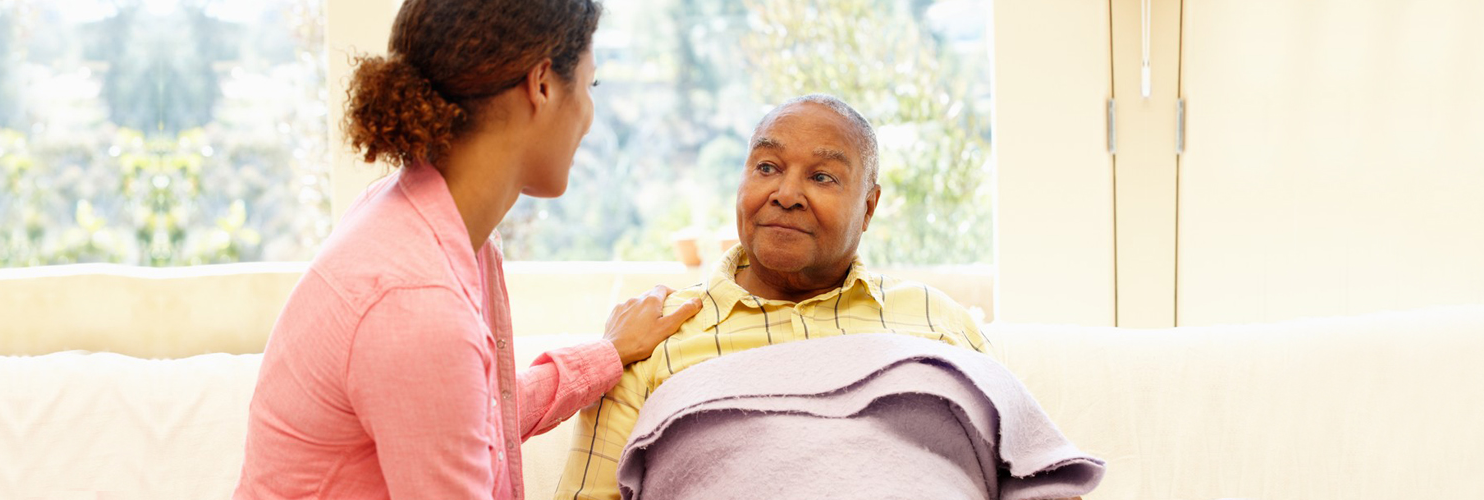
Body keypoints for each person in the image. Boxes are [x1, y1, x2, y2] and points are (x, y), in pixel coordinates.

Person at [234, 1, 701, 498]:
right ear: (541, 85)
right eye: (590, 86)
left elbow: (474, 417)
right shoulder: (415, 301)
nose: (589, 115)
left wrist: (608, 354)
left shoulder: (424, 220)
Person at [554, 95, 993, 500]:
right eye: (767, 168)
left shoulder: (940, 323)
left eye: (822, 177)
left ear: (868, 209)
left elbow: (1025, 472)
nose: (785, 195)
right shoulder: (650, 337)